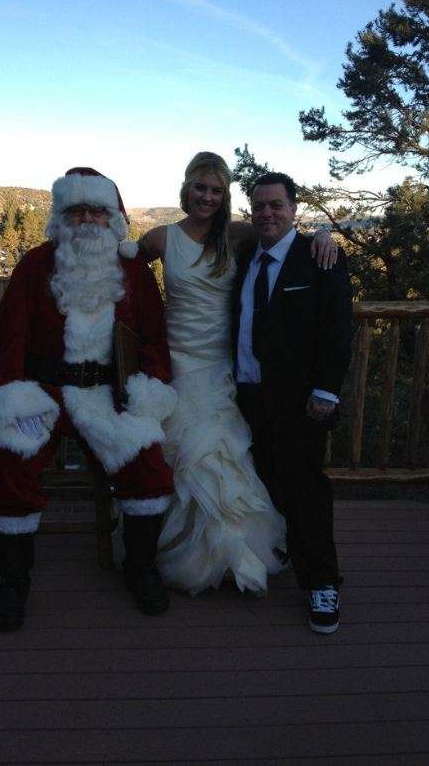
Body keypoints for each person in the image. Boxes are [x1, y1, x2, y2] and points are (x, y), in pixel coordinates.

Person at [0, 167, 178, 630]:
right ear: (60, 217)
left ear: (113, 218)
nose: (87, 221)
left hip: (108, 394)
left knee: (148, 463)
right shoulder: (35, 265)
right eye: (76, 211)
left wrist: (146, 389)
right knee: (11, 461)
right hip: (43, 392)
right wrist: (14, 392)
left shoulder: (133, 271)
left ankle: (141, 568)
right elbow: (7, 338)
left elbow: (154, 339)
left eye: (96, 211)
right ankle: (13, 581)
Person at [136, 152, 338, 596]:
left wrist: (324, 233)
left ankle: (235, 558)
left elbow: (286, 235)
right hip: (180, 364)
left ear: (225, 197)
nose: (207, 197)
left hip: (224, 368)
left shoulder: (236, 234)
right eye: (200, 188)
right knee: (189, 457)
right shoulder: (160, 239)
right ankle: (180, 552)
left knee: (227, 459)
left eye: (216, 191)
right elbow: (124, 270)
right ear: (185, 188)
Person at [233, 171, 352, 633]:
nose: (267, 213)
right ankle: (278, 551)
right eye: (259, 205)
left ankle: (323, 581)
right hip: (246, 393)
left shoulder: (318, 257)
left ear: (294, 210)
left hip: (299, 399)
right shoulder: (245, 256)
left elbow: (337, 328)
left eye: (276, 205)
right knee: (264, 480)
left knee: (306, 489)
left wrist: (326, 390)